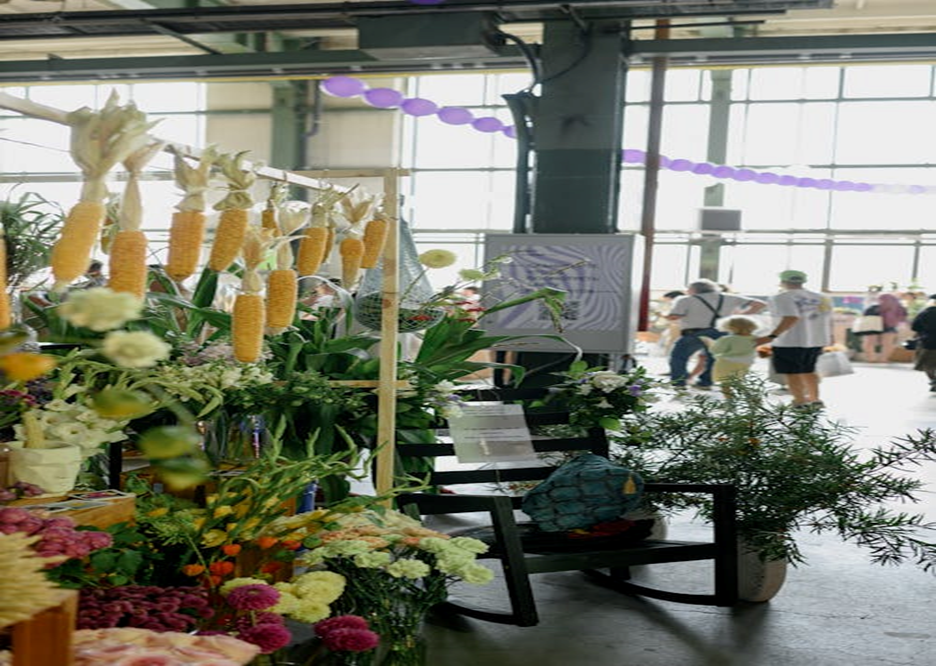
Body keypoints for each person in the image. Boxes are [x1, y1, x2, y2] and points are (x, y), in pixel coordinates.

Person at [666, 279, 766, 388]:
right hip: (721, 332)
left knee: (679, 356)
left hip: (695, 333)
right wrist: (740, 316)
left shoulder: (686, 300)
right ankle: (705, 382)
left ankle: (679, 383)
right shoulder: (729, 297)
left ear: (693, 289)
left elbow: (674, 316)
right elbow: (760, 304)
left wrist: (667, 315)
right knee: (714, 358)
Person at [755, 270, 833, 409]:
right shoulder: (822, 297)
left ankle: (800, 401)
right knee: (809, 370)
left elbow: (791, 317)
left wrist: (771, 336)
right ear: (803, 281)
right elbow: (828, 320)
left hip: (788, 341)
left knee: (792, 372)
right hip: (815, 340)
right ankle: (815, 400)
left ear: (782, 281)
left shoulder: (781, 297)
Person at [700, 315, 761, 394]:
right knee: (739, 382)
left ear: (731, 327)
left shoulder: (728, 339)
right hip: (746, 363)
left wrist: (709, 343)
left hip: (727, 363)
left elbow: (716, 350)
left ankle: (729, 401)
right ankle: (751, 398)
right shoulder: (754, 338)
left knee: (725, 383)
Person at [857, 292, 907, 363]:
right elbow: (902, 319)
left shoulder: (874, 307)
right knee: (888, 344)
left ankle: (871, 359)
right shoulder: (899, 308)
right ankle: (883, 359)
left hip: (872, 327)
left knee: (869, 343)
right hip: (890, 327)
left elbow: (865, 316)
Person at [910, 294, 936, 392]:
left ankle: (933, 380)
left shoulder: (925, 312)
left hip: (928, 343)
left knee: (928, 364)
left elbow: (915, 327)